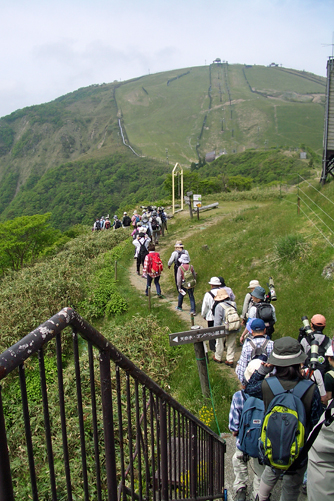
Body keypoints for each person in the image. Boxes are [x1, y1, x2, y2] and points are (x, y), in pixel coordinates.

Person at [246, 337, 323, 501]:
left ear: (276, 362)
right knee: (291, 487)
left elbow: (249, 389)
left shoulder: (267, 385)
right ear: (299, 362)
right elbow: (316, 422)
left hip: (271, 444)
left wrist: (262, 371)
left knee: (270, 471)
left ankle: (262, 496)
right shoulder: (311, 389)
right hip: (299, 450)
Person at [229, 360, 266, 501]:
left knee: (238, 460)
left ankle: (240, 488)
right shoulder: (271, 397)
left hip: (244, 442)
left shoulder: (239, 396)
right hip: (262, 443)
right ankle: (259, 493)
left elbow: (233, 428)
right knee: (260, 470)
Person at [235, 319, 274, 387]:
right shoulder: (271, 344)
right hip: (267, 381)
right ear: (265, 330)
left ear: (252, 331)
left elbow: (242, 365)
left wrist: (243, 383)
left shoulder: (247, 345)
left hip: (251, 378)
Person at [212, 289, 240, 366]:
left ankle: (218, 357)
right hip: (233, 326)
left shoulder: (219, 306)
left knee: (219, 343)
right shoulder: (233, 304)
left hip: (223, 328)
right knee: (231, 343)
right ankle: (230, 359)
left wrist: (215, 331)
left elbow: (217, 321)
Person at [300, 314, 331, 378]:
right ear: (324, 326)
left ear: (311, 325)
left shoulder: (305, 341)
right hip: (324, 376)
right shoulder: (329, 341)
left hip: (309, 375)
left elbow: (300, 358)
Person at [201, 277, 224, 351]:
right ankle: (221, 345)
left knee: (211, 332)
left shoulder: (208, 294)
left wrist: (203, 315)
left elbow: (205, 307)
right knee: (220, 331)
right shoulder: (223, 292)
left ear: (211, 285)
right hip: (221, 315)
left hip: (211, 315)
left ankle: (213, 347)